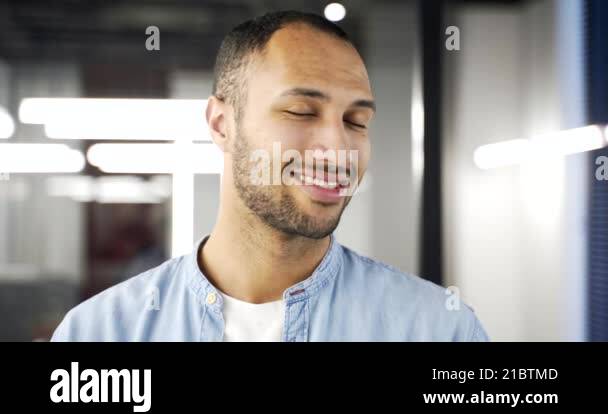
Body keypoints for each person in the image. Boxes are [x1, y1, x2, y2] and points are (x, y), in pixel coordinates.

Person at [52, 10, 488, 342]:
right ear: (222, 123)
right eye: (301, 111)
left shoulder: (435, 329)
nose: (337, 149)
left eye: (356, 121)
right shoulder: (100, 332)